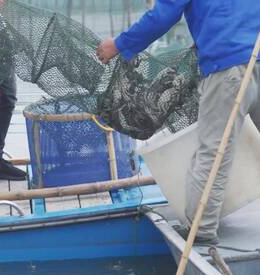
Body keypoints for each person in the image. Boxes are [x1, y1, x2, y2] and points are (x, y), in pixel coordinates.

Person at [97, 0, 260, 244]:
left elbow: (163, 15)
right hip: (254, 55)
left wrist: (118, 44)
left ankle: (201, 230)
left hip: (228, 67)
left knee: (214, 153)